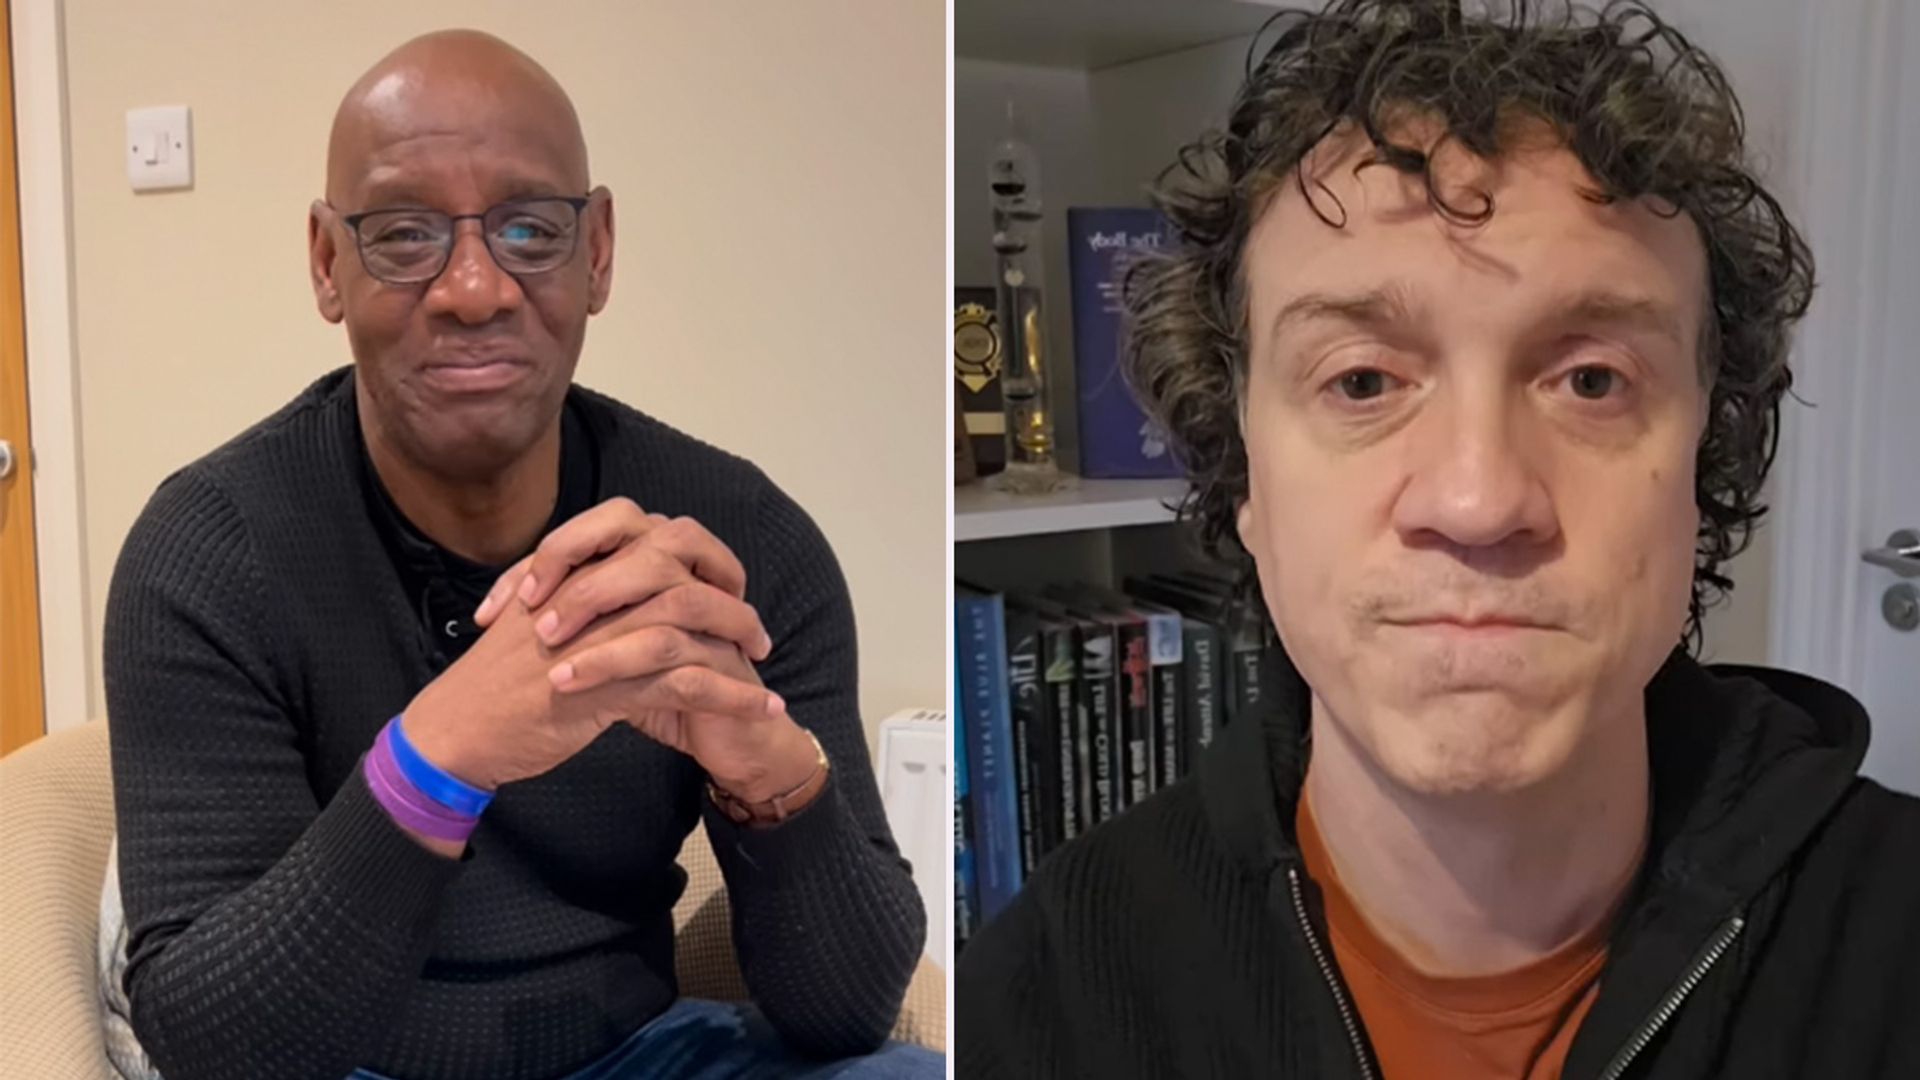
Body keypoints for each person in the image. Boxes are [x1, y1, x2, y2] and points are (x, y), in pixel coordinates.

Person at [956, 2, 1920, 1077]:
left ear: (1707, 454)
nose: (1477, 500)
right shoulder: (1047, 999)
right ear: (1244, 472)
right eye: (1363, 381)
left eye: (1591, 381)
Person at [103, 29, 939, 1080]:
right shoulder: (208, 553)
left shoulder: (737, 544)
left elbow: (852, 1013)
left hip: (639, 1056)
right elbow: (211, 1044)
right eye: (403, 234)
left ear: (599, 253)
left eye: (530, 231)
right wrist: (440, 759)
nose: (473, 290)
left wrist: (771, 782)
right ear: (326, 263)